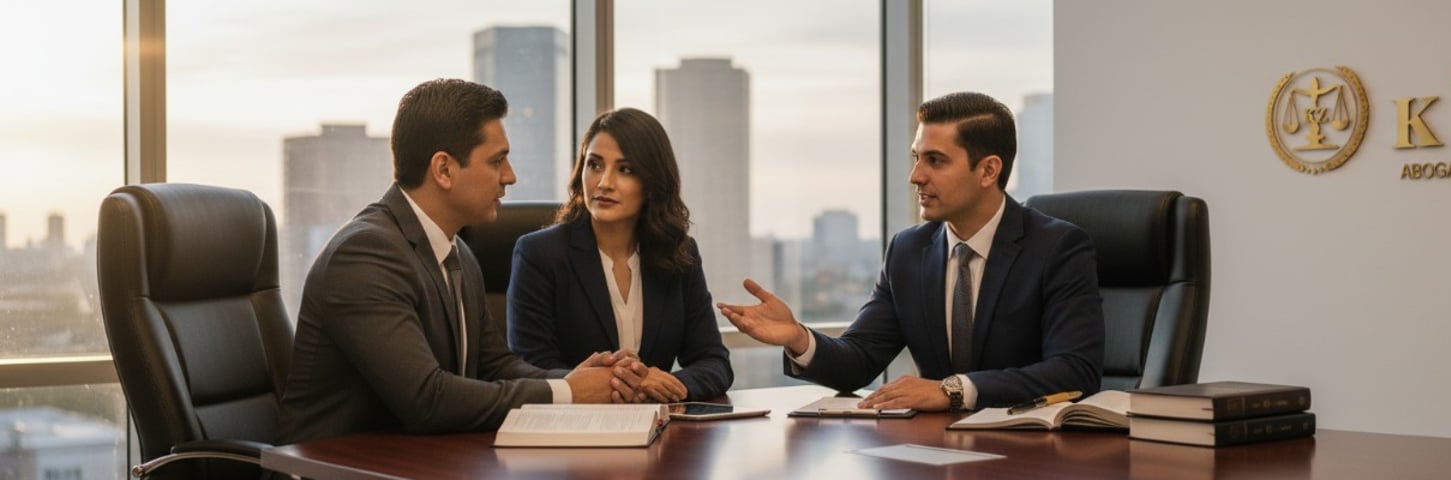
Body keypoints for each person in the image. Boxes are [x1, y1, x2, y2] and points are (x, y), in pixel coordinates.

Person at [277, 79, 646, 445]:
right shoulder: (363, 256)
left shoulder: (457, 253)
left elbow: (495, 366)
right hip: (335, 468)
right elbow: (427, 400)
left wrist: (575, 381)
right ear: (444, 170)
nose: (510, 176)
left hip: (418, 460)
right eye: (497, 161)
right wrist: (567, 394)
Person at [719, 92, 1104, 412]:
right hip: (939, 448)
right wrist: (798, 338)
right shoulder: (908, 250)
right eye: (916, 157)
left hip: (1033, 453)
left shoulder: (1058, 247)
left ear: (988, 171)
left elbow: (1074, 371)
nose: (915, 176)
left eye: (935, 160)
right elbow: (858, 362)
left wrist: (951, 389)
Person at [507, 108, 732, 402]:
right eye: (595, 165)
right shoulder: (540, 254)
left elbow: (713, 361)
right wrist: (613, 382)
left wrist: (668, 383)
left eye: (625, 169)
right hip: (572, 434)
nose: (604, 183)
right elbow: (529, 367)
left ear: (652, 183)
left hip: (657, 430)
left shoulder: (679, 254)